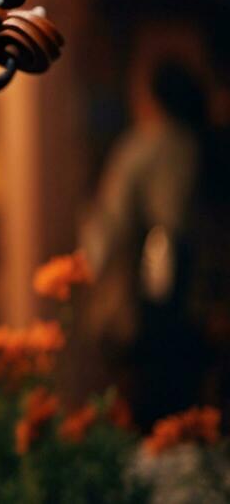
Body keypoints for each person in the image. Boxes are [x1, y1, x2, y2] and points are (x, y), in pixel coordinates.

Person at [80, 57, 213, 426]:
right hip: (190, 303)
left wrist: (92, 271)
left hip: (148, 301)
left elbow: (113, 228)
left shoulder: (147, 146)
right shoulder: (198, 143)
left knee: (148, 407)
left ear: (152, 96)